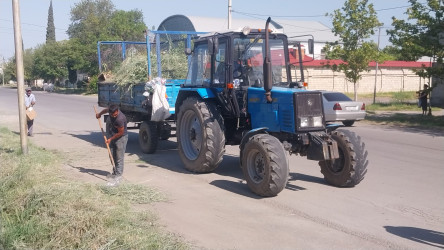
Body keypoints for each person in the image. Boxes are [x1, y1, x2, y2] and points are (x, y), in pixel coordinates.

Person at [96, 104, 128, 186]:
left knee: (119, 158)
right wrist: (99, 114)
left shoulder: (120, 119)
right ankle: (114, 173)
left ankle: (118, 177)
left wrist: (110, 139)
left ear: (117, 111)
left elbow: (120, 133)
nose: (114, 116)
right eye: (112, 115)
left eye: (115, 114)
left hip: (121, 138)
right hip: (113, 135)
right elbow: (105, 110)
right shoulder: (110, 110)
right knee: (112, 156)